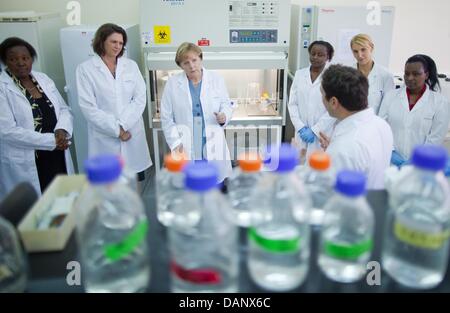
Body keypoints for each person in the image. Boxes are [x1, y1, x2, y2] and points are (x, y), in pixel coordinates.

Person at [0, 37, 74, 199]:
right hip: (29, 157)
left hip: (56, 152)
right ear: (6, 62)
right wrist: (51, 141)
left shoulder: (43, 79)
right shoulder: (2, 87)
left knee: (62, 197)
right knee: (36, 207)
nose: (20, 63)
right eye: (13, 59)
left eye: (25, 58)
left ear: (31, 59)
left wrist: (62, 130)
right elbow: (6, 131)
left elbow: (63, 109)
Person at [76, 23, 152, 181]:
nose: (118, 46)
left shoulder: (131, 66)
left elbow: (139, 98)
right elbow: (88, 107)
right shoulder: (85, 69)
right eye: (113, 42)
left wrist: (123, 125)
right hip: (105, 137)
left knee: (133, 182)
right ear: (102, 41)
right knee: (109, 185)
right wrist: (116, 130)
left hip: (131, 132)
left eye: (121, 43)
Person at [160, 42, 233, 183]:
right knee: (191, 184)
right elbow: (166, 117)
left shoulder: (216, 79)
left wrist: (224, 116)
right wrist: (175, 143)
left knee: (213, 183)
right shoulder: (173, 84)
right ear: (180, 65)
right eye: (186, 62)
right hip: (185, 141)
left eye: (194, 60)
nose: (192, 66)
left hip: (211, 138)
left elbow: (226, 104)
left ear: (200, 59)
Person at [318, 64, 393, 189]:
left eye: (322, 94)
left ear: (333, 102)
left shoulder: (343, 149)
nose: (321, 99)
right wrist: (334, 147)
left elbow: (326, 194)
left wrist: (334, 152)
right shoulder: (382, 125)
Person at [379, 54, 450, 167]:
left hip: (422, 164)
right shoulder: (391, 96)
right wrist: (391, 151)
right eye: (407, 74)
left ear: (426, 75)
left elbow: (436, 136)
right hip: (390, 162)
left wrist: (417, 159)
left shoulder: (440, 102)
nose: (410, 78)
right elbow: (381, 126)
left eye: (416, 74)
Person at [288, 41, 335, 161]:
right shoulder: (299, 75)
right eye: (313, 53)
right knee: (299, 168)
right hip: (301, 132)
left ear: (328, 57)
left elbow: (334, 109)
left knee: (318, 169)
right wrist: (300, 127)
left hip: (322, 134)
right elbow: (292, 104)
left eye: (320, 55)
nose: (315, 57)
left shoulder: (333, 78)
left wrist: (315, 130)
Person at [351, 34, 395, 115]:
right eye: (355, 51)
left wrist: (377, 126)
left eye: (363, 50)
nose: (360, 55)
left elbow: (388, 108)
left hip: (375, 124)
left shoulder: (385, 75)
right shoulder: (347, 74)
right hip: (351, 123)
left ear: (371, 48)